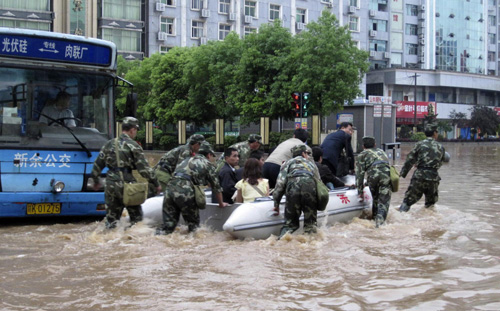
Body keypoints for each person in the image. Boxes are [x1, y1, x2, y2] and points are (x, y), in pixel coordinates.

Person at [91, 117, 161, 229]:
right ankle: (131, 241)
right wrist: (156, 184)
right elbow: (144, 170)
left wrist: (96, 181)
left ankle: (109, 240)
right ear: (132, 130)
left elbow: (97, 166)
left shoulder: (109, 144)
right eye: (136, 130)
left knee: (111, 220)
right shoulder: (133, 145)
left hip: (111, 185)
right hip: (127, 185)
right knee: (137, 219)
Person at [156, 142, 228, 234]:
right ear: (209, 155)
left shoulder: (185, 160)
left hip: (170, 188)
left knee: (168, 226)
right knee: (194, 227)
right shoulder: (208, 164)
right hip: (186, 190)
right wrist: (221, 203)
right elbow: (216, 187)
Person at [273, 144, 320, 238]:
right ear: (303, 153)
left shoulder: (287, 163)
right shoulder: (311, 164)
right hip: (310, 186)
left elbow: (280, 184)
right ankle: (311, 245)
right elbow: (319, 182)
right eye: (307, 153)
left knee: (290, 225)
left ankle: (281, 243)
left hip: (293, 187)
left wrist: (276, 204)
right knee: (310, 225)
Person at [398, 123, 446, 213]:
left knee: (407, 201)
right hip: (433, 177)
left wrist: (403, 174)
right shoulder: (440, 146)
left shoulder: (419, 144)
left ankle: (399, 218)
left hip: (419, 176)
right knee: (430, 205)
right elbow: (441, 161)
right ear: (435, 133)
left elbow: (410, 160)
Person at [355, 136, 392, 227]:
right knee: (383, 202)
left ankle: (375, 220)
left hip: (373, 179)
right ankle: (380, 225)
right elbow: (382, 168)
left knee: (375, 200)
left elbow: (359, 174)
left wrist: (360, 191)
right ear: (375, 145)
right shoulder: (381, 151)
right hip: (386, 177)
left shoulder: (362, 155)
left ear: (363, 146)